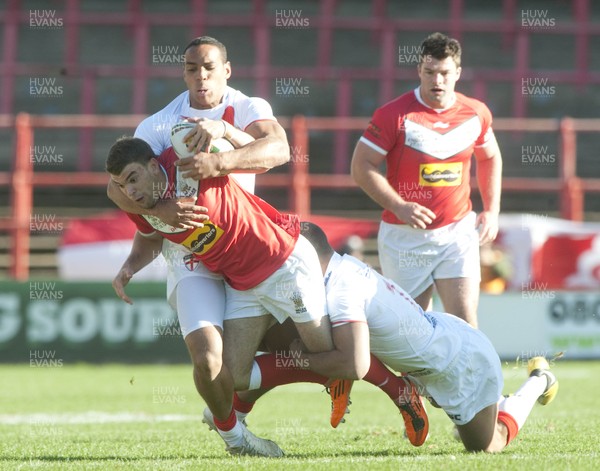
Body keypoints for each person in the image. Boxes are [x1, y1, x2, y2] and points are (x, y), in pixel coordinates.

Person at [106, 36, 292, 456]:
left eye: (209, 67)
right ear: (183, 72)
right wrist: (165, 213)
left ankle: (347, 376)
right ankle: (235, 438)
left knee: (307, 347)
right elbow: (118, 187)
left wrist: (221, 153)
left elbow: (279, 150)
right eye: (192, 68)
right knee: (209, 362)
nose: (201, 76)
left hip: (248, 246)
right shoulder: (157, 126)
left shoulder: (247, 108)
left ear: (227, 69)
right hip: (193, 255)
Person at [106, 137, 341, 457]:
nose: (129, 191)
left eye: (132, 179)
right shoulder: (144, 187)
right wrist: (128, 267)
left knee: (330, 357)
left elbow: (273, 152)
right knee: (222, 369)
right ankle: (234, 430)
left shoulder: (192, 153)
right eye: (123, 184)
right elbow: (145, 232)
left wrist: (221, 143)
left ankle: (388, 376)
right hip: (224, 276)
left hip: (275, 258)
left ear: (151, 165)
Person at [291, 222, 558, 453]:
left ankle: (539, 381)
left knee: (488, 445)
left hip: (459, 365)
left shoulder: (341, 289)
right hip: (438, 351)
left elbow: (352, 363)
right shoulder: (342, 270)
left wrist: (299, 360)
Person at [351, 32, 503, 327]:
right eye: (430, 72)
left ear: (457, 73)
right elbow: (361, 167)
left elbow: (490, 157)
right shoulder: (393, 115)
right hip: (404, 238)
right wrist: (399, 206)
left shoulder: (476, 113)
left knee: (465, 323)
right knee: (413, 329)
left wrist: (492, 210)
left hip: (457, 232)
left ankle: (470, 374)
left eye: (445, 73)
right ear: (419, 70)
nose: (438, 81)